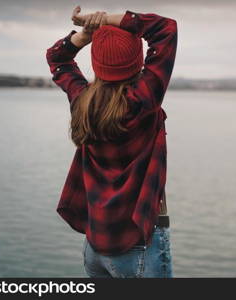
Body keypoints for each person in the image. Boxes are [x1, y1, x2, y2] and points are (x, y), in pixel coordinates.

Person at [45, 6, 178, 278]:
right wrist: (105, 20)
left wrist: (84, 35)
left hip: (96, 246)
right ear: (137, 60)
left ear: (97, 63)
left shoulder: (82, 101)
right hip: (139, 244)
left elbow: (57, 58)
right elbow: (166, 29)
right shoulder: (143, 100)